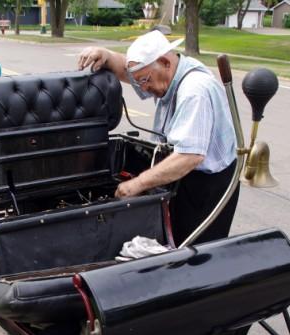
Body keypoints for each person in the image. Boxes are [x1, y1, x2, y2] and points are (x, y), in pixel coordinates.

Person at [77, 30, 239, 245]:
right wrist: (105, 55)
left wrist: (137, 184)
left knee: (194, 250)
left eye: (145, 80)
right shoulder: (165, 73)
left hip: (206, 185)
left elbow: (189, 156)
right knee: (174, 243)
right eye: (140, 81)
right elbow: (130, 69)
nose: (143, 88)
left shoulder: (194, 91)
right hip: (186, 176)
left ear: (164, 62)